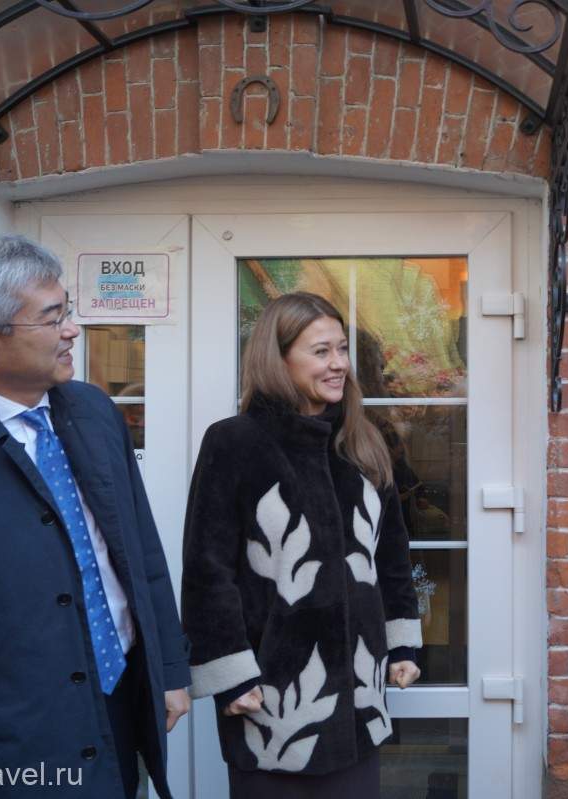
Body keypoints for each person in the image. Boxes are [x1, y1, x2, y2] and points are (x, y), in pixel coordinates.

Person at [0, 233, 191, 799]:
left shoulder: (94, 411)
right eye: (52, 319)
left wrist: (169, 669)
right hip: (16, 744)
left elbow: (140, 551)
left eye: (66, 311)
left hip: (122, 704)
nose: (72, 330)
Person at [181, 291, 423, 798]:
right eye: (321, 351)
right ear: (279, 358)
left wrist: (401, 643)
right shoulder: (234, 442)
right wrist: (230, 674)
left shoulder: (363, 442)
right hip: (273, 696)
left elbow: (392, 557)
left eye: (342, 349)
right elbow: (208, 570)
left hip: (358, 693)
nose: (338, 364)